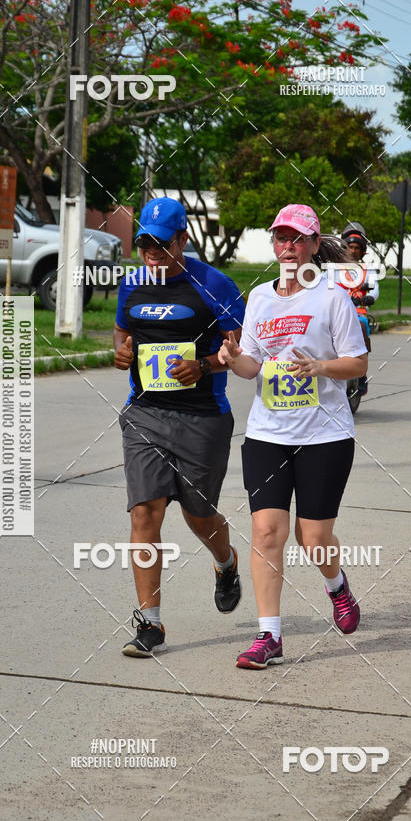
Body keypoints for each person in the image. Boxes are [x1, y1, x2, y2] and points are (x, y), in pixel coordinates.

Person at [218, 204, 368, 669]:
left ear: (313, 245)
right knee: (266, 532)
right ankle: (270, 636)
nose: (288, 246)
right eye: (281, 238)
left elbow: (357, 363)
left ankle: (336, 585)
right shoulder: (260, 297)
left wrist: (320, 367)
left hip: (325, 434)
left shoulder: (331, 298)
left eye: (297, 239)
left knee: (313, 536)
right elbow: (254, 367)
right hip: (268, 432)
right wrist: (232, 357)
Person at [114, 197, 245, 657]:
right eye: (143, 243)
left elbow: (239, 350)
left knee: (199, 515)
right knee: (144, 513)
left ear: (181, 240)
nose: (150, 251)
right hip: (145, 414)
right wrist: (123, 352)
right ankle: (149, 623)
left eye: (159, 243)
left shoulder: (215, 284)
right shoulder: (131, 284)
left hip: (202, 417)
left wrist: (205, 365)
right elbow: (122, 332)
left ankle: (225, 564)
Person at [339, 223, 381, 396]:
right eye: (350, 247)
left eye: (357, 248)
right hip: (337, 312)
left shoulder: (367, 271)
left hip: (358, 313)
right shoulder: (333, 269)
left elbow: (375, 289)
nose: (353, 250)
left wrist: (369, 297)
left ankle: (361, 374)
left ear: (362, 251)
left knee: (362, 326)